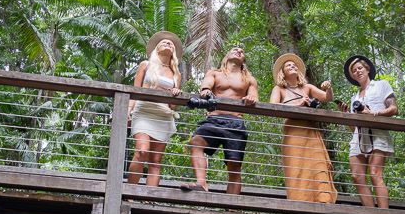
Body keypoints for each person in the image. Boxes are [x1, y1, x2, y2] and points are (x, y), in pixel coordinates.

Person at [181, 46, 259, 194]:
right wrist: (205, 90)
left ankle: (231, 206)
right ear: (227, 56)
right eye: (235, 49)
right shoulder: (215, 73)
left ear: (243, 60)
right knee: (196, 141)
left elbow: (254, 96)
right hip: (214, 119)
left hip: (235, 122)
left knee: (234, 164)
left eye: (242, 51)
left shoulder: (249, 79)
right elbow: (206, 86)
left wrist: (251, 98)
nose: (238, 51)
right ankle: (201, 183)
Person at [269, 53, 337, 203]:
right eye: (288, 65)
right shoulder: (279, 89)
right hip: (293, 132)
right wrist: (298, 104)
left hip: (310, 130)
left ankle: (323, 202)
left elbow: (327, 98)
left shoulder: (307, 87)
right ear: (283, 72)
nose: (292, 66)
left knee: (317, 164)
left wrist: (328, 88)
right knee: (297, 167)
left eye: (294, 65)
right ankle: (299, 203)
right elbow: (273, 107)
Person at [338, 55, 397, 209]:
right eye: (354, 71)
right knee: (357, 176)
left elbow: (393, 109)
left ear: (367, 69)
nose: (357, 71)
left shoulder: (381, 85)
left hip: (378, 135)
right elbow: (354, 128)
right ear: (352, 76)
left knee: (375, 173)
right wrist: (347, 115)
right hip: (359, 138)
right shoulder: (354, 98)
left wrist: (373, 114)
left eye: (360, 68)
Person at [126, 31, 183, 187]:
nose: (168, 44)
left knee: (156, 160)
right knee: (142, 151)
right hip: (144, 111)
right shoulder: (146, 65)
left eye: (170, 43)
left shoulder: (176, 74)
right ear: (157, 48)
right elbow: (134, 91)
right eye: (164, 42)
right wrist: (128, 112)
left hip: (164, 115)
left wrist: (175, 95)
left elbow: (173, 106)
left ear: (174, 52)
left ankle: (148, 198)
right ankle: (130, 192)